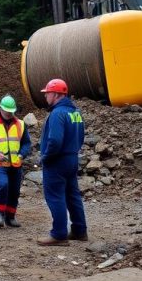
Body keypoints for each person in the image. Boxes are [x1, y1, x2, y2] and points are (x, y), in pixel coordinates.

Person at [36, 78, 88, 246]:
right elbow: (81, 136)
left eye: (48, 93)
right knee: (72, 195)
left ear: (56, 94)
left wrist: (46, 157)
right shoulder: (75, 112)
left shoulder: (57, 114)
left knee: (55, 196)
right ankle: (80, 230)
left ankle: (59, 234)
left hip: (57, 161)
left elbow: (55, 141)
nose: (46, 97)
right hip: (71, 158)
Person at [0, 94, 32, 228]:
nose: (9, 114)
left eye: (11, 112)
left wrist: (22, 154)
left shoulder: (21, 124)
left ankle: (10, 217)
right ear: (0, 109)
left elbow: (26, 143)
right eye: (6, 111)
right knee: (3, 184)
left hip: (15, 162)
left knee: (14, 190)